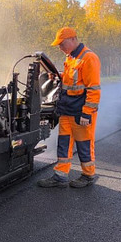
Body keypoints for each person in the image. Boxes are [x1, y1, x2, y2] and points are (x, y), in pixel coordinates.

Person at [38, 27, 102, 188]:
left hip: (81, 112)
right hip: (67, 110)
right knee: (64, 144)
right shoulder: (71, 57)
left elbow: (93, 89)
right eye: (58, 45)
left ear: (73, 39)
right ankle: (60, 175)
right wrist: (58, 75)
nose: (60, 48)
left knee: (84, 144)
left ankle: (88, 175)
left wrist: (87, 113)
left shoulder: (89, 58)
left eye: (62, 44)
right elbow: (72, 81)